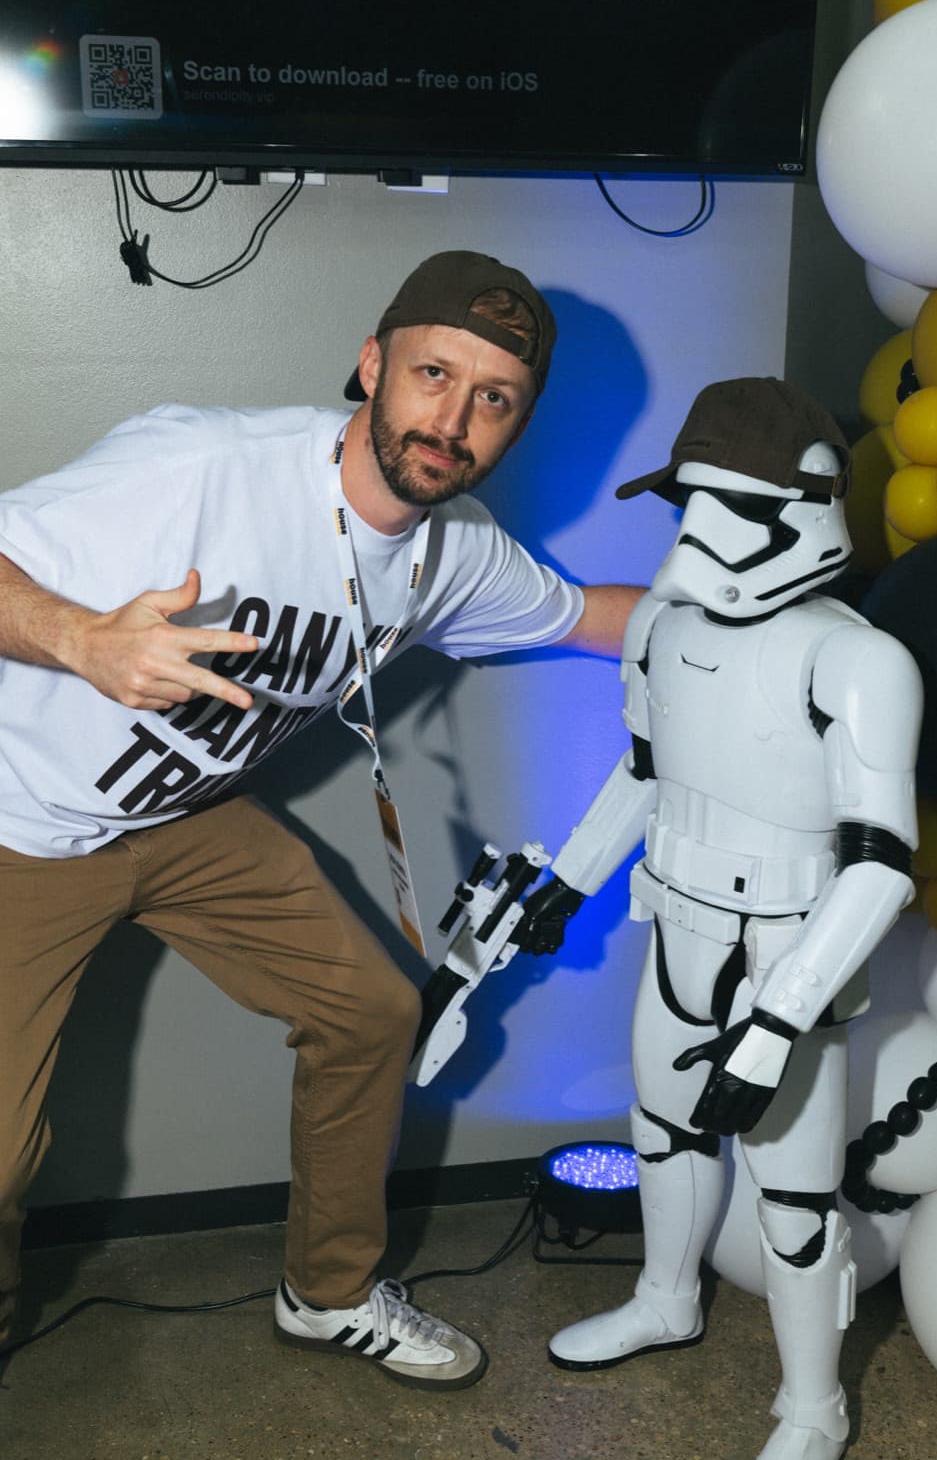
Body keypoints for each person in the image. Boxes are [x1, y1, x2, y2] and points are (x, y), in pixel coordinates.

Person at [0, 249, 641, 1389]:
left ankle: (329, 1291)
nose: (452, 418)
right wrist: (83, 639)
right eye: (432, 373)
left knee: (371, 1010)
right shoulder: (203, 463)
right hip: (22, 822)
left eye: (492, 399)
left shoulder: (454, 553)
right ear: (370, 364)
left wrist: (770, 598)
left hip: (185, 818)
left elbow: (591, 615)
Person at [516, 378, 923, 1458]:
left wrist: (780, 1017)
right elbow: (643, 771)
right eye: (686, 503)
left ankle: (811, 1406)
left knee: (792, 1197)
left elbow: (880, 864)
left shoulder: (857, 660)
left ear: (808, 506)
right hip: (678, 926)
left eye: (733, 508)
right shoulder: (656, 625)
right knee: (662, 1133)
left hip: (790, 938)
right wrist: (566, 881)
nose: (696, 539)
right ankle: (665, 1297)